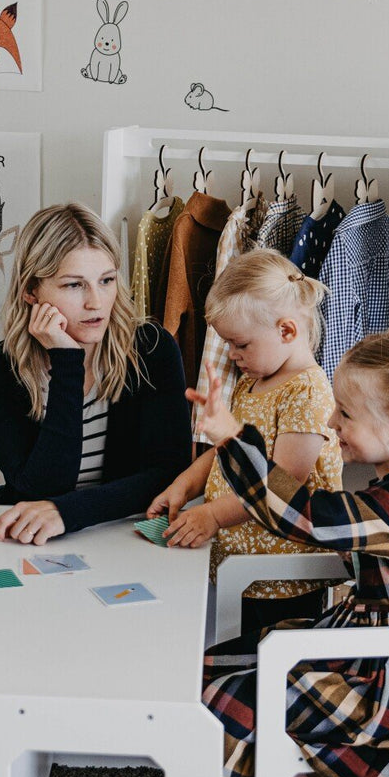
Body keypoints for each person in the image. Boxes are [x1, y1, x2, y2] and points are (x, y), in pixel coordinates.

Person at [190, 328, 389, 777]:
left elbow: (312, 518)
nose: (331, 424)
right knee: (214, 666)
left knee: (231, 699)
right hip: (368, 651)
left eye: (344, 415)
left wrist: (233, 438)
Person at [0, 202, 191, 545]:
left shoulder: (151, 349)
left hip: (119, 532)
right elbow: (41, 489)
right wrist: (66, 360)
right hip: (36, 539)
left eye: (107, 280)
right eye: (74, 285)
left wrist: (69, 513)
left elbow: (168, 473)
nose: (96, 302)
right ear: (31, 291)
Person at [148, 250, 343, 633]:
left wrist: (213, 514)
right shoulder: (251, 381)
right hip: (243, 564)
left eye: (241, 345)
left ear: (286, 331)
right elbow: (225, 454)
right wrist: (183, 487)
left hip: (283, 574)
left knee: (267, 668)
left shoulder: (308, 391)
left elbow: (282, 486)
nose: (233, 355)